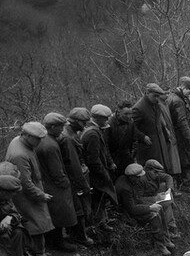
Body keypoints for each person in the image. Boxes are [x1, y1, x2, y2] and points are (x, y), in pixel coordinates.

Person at [5, 121, 56, 256]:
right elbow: (25, 183)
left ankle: (35, 252)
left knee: (35, 222)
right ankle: (37, 253)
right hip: (25, 195)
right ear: (27, 135)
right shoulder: (20, 154)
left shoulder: (20, 142)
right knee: (36, 223)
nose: (40, 141)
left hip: (29, 189)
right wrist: (41, 195)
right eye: (38, 138)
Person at [36, 112, 78, 252]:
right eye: (60, 127)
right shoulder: (51, 145)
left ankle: (53, 241)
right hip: (54, 185)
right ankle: (58, 242)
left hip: (46, 182)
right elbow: (56, 170)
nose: (62, 130)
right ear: (52, 126)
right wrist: (65, 182)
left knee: (54, 213)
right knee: (60, 213)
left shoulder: (44, 140)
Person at [115, 163, 175, 256]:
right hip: (126, 212)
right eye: (138, 177)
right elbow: (132, 209)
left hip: (134, 205)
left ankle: (166, 239)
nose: (140, 179)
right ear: (132, 177)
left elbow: (137, 198)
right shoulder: (125, 189)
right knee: (154, 214)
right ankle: (160, 245)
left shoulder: (129, 180)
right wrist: (150, 207)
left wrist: (154, 200)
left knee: (159, 207)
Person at [82, 104, 120, 232]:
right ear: (97, 118)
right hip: (95, 173)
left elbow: (104, 150)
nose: (107, 120)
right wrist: (104, 173)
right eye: (104, 118)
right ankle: (99, 224)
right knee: (98, 198)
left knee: (102, 197)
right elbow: (94, 159)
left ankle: (103, 220)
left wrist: (110, 162)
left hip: (100, 169)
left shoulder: (96, 130)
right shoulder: (92, 134)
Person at [61, 107, 94, 245]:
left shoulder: (72, 133)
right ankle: (80, 237)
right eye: (83, 122)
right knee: (78, 208)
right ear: (73, 121)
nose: (85, 125)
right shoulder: (68, 138)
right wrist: (84, 185)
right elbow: (74, 165)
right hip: (73, 179)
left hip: (76, 176)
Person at [166, 77, 190, 193]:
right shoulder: (178, 101)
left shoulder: (174, 97)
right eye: (189, 92)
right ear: (184, 88)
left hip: (178, 134)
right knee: (187, 158)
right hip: (182, 135)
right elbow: (182, 121)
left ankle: (184, 181)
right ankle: (187, 183)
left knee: (183, 158)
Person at [132, 83, 173, 172]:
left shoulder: (156, 104)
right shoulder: (138, 108)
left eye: (158, 96)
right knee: (150, 168)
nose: (157, 99)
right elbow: (131, 127)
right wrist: (142, 136)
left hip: (159, 141)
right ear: (147, 93)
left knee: (162, 166)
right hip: (148, 145)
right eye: (155, 96)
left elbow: (159, 122)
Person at [108, 100, 148, 178]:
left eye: (130, 114)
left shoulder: (131, 122)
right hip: (114, 159)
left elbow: (134, 140)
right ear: (118, 112)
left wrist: (132, 156)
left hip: (127, 157)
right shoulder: (110, 124)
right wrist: (110, 162)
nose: (128, 116)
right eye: (125, 114)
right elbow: (105, 145)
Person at [144, 159, 180, 239]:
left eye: (158, 172)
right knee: (167, 204)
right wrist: (155, 198)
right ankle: (171, 227)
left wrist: (169, 189)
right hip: (147, 203)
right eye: (155, 172)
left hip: (155, 197)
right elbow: (138, 199)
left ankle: (171, 227)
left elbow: (168, 177)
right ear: (147, 170)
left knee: (164, 186)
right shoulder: (141, 179)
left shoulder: (153, 174)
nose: (157, 175)